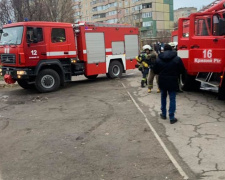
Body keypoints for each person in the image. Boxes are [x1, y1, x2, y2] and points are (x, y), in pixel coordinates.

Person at [153, 44, 185, 124]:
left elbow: (155, 71)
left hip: (162, 80)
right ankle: (172, 117)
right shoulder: (177, 59)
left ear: (163, 50)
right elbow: (182, 70)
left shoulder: (159, 59)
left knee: (163, 97)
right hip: (173, 80)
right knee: (172, 98)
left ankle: (163, 114)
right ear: (171, 49)